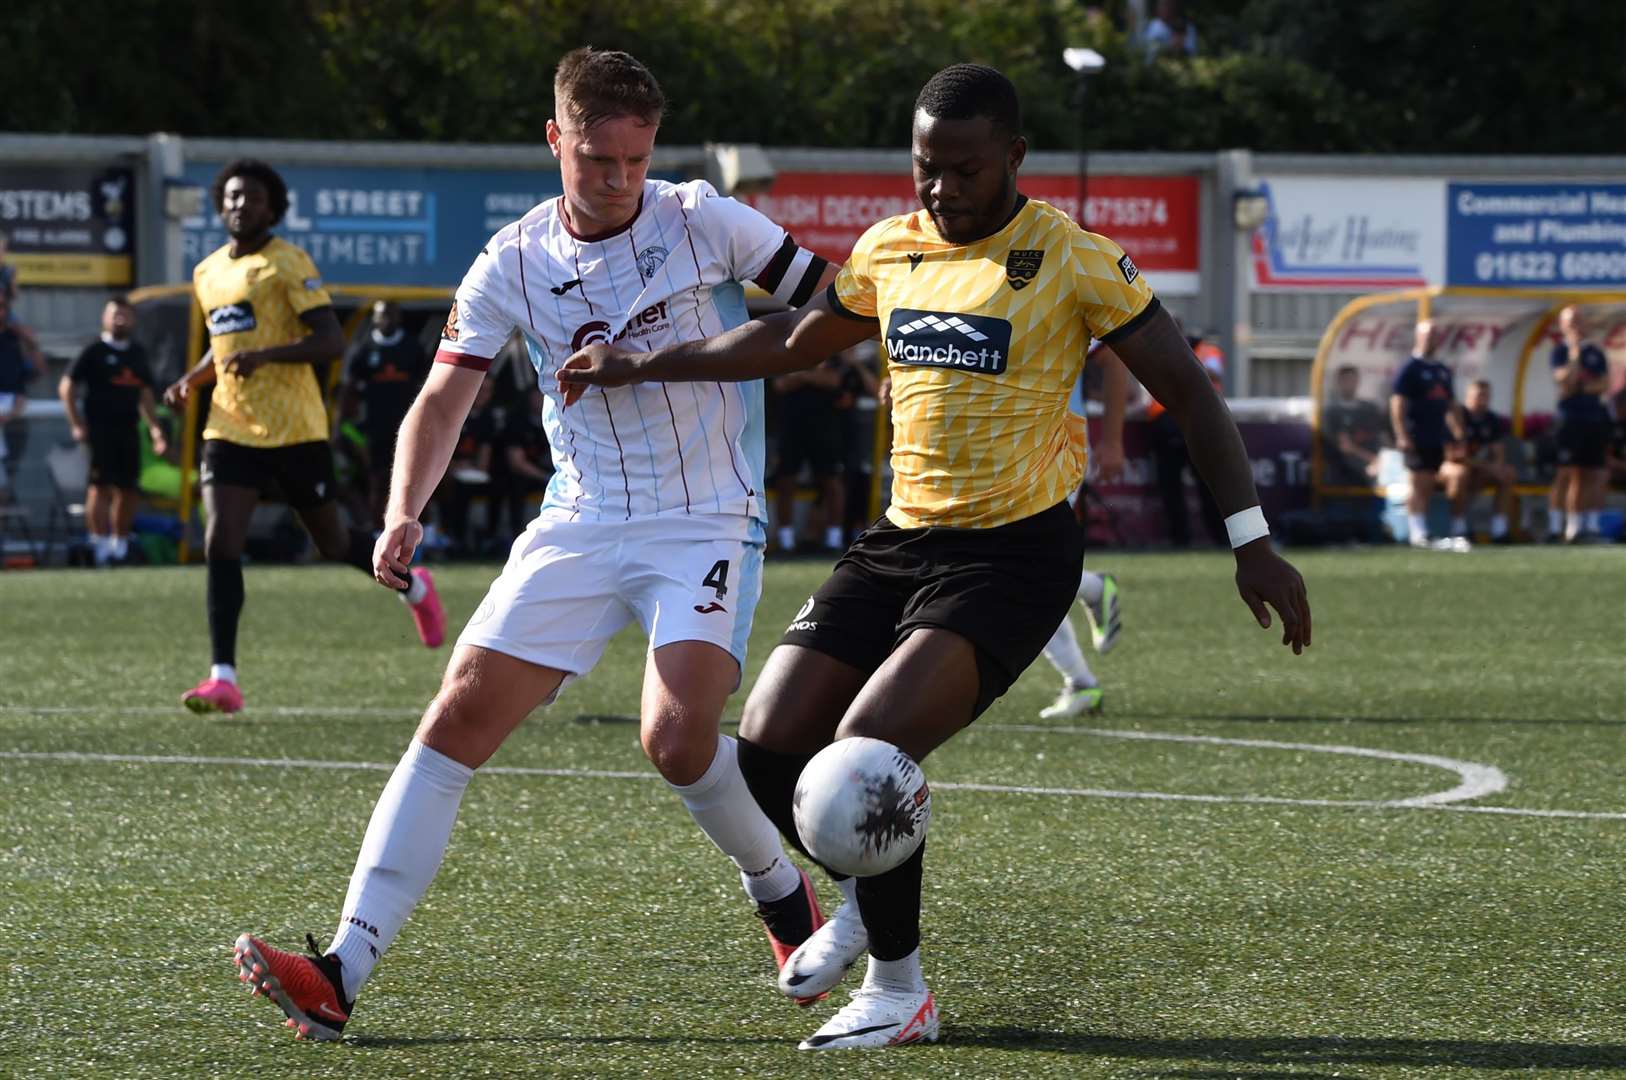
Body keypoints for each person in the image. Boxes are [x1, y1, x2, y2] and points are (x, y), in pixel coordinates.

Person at [559, 63, 1311, 1051]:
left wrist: (1251, 543)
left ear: (1013, 158)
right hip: (896, 541)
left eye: (963, 169)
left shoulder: (1072, 257)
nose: (941, 189)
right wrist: (643, 362)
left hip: (1014, 557)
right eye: (926, 168)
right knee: (767, 750)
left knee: (863, 757)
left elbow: (1193, 394)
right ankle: (869, 901)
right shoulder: (889, 248)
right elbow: (792, 340)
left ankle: (900, 988)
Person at [230, 48, 838, 1042]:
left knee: (677, 741)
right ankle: (343, 967)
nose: (620, 181)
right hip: (581, 518)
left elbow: (830, 299)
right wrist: (403, 509)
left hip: (706, 517)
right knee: (457, 715)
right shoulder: (512, 260)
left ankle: (781, 898)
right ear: (556, 139)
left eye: (636, 162)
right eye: (599, 159)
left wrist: (768, 359)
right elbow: (442, 398)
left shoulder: (703, 219)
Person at [161, 159, 446, 715]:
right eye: (233, 196)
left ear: (273, 208)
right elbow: (225, 344)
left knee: (334, 543)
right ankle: (224, 677)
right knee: (221, 540)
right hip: (230, 427)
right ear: (221, 204)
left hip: (295, 429)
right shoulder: (207, 272)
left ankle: (415, 588)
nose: (241, 205)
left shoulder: (288, 265)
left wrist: (263, 356)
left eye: (254, 197)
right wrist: (195, 378)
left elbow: (330, 341)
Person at [1037, 340, 1126, 719]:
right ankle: (1091, 587)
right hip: (988, 451)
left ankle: (1082, 683)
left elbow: (1113, 357)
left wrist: (1113, 439)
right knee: (1016, 573)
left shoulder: (1052, 280)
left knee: (1020, 575)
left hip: (1056, 448)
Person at [57, 296, 168, 565]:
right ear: (105, 318)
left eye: (125, 314)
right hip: (100, 431)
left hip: (128, 430)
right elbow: (67, 386)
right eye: (114, 314)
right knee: (99, 487)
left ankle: (120, 543)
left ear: (132, 319)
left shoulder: (137, 354)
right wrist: (76, 424)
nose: (120, 319)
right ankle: (99, 543)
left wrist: (155, 429)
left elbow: (145, 394)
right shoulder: (93, 350)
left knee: (128, 489)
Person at [341, 300, 430, 529]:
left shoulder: (413, 348)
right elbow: (350, 389)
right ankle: (377, 529)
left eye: (390, 315)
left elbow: (427, 385)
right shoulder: (365, 350)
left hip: (408, 424)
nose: (386, 320)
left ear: (399, 317)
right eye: (381, 315)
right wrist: (344, 420)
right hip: (375, 426)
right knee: (377, 478)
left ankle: (422, 529)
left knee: (416, 476)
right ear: (374, 318)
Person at [1388, 319, 1466, 549]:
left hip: (1437, 436)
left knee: (1430, 481)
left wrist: (1458, 430)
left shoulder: (1441, 370)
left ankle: (1428, 528)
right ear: (1418, 338)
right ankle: (1417, 531)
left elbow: (1450, 404)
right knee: (1418, 481)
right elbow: (1397, 403)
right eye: (1427, 335)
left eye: (1434, 335)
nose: (1431, 339)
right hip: (1416, 435)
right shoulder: (1410, 368)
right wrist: (1401, 433)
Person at [1147, 331, 1225, 546]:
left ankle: (1219, 537)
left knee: (1207, 484)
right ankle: (1181, 538)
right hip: (1169, 421)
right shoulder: (1155, 348)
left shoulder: (1206, 350)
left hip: (1194, 418)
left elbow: (1214, 373)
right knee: (1172, 487)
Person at [774, 354, 852, 552]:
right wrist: (813, 375)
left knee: (832, 483)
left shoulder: (833, 354)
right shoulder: (787, 352)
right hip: (791, 427)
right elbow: (780, 384)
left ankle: (834, 539)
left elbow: (833, 380)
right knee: (786, 481)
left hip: (825, 429)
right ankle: (786, 541)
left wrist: (800, 376)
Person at [1547, 305, 1611, 542]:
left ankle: (1584, 527)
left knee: (1592, 473)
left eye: (1578, 320)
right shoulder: (1559, 351)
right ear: (1562, 325)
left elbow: (1603, 384)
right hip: (1569, 420)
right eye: (1570, 321)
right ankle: (1556, 528)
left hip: (1594, 419)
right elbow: (1565, 381)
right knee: (1566, 473)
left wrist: (1579, 387)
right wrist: (1574, 354)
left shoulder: (1595, 352)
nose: (1575, 325)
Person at [1441, 378, 1513, 542]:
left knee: (1507, 473)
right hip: (1448, 466)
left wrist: (1497, 466)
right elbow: (1453, 456)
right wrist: (1487, 466)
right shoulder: (1457, 416)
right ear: (1468, 396)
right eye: (1479, 395)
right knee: (1460, 474)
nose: (1483, 400)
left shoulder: (1491, 419)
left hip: (1478, 467)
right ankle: (1458, 527)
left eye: (1486, 396)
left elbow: (1498, 450)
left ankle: (1499, 530)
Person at [1320, 363, 1387, 487]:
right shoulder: (1331, 412)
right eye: (1346, 380)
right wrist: (1373, 459)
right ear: (1338, 382)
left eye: (1353, 379)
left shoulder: (1370, 408)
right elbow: (1345, 447)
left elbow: (1383, 436)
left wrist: (1385, 461)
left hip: (1374, 474)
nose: (1350, 383)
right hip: (1344, 476)